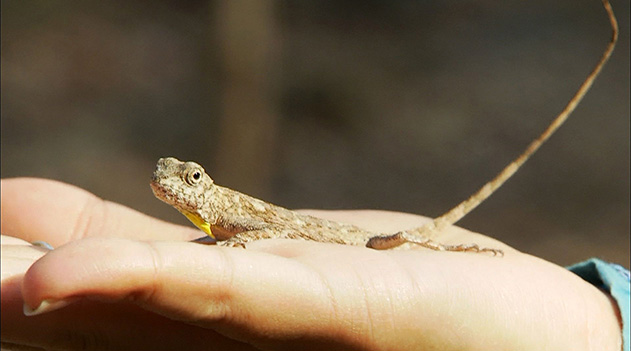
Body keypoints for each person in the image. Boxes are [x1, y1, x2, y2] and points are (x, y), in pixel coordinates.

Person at [1, 178, 627, 350]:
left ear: (203, 185)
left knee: (392, 244)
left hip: (335, 236)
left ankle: (449, 243)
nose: (174, 185)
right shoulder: (210, 213)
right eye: (169, 179)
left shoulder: (222, 208)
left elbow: (252, 227)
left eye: (187, 179)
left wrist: (586, 325)